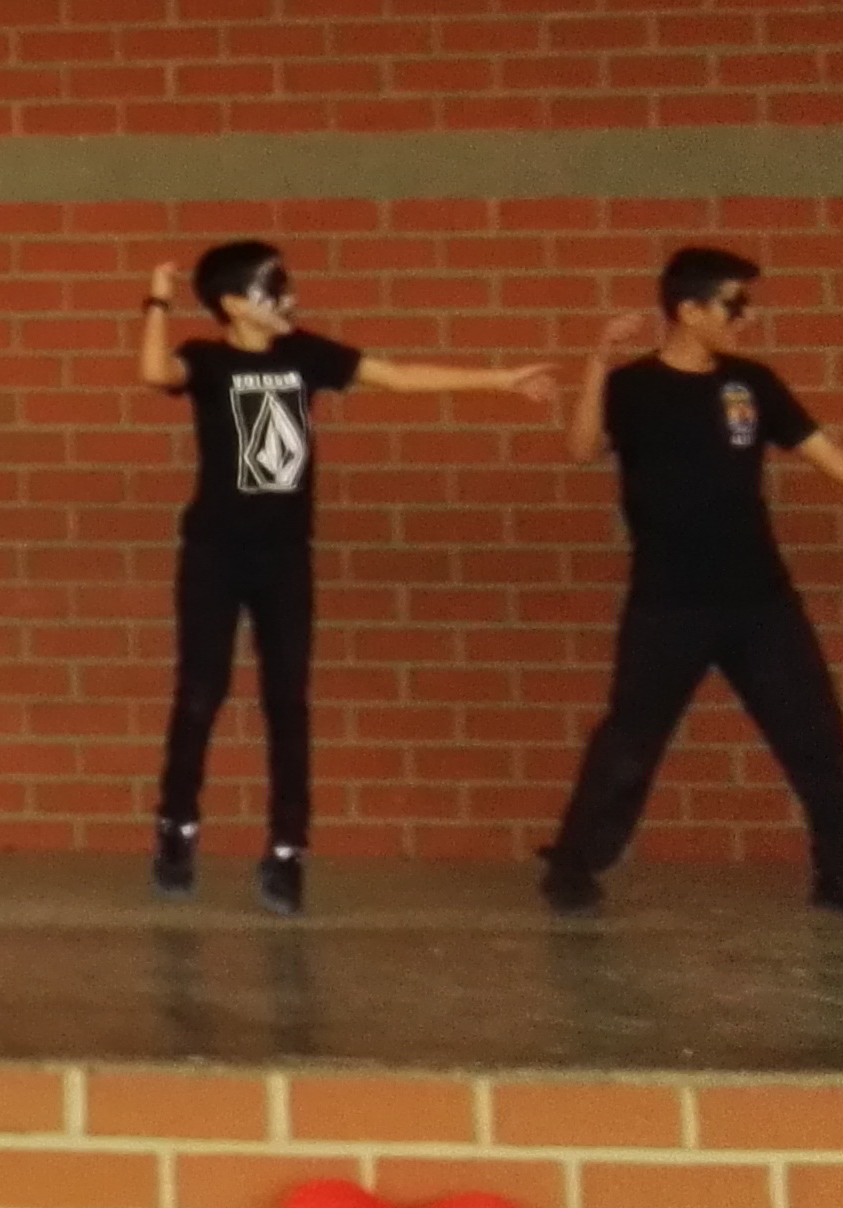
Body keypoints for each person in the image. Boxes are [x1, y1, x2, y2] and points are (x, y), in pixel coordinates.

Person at [537, 245, 843, 920]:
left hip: (760, 600)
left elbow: (832, 458)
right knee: (630, 741)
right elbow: (581, 448)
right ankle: (574, 864)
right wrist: (598, 363)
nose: (747, 318)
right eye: (734, 305)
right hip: (668, 604)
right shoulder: (634, 386)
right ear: (689, 311)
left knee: (816, 735)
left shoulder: (753, 383)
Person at [137, 242, 556, 915]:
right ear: (235, 303)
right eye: (274, 287)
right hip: (215, 553)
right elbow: (155, 371)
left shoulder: (304, 354)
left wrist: (500, 379)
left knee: (287, 699)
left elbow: (397, 376)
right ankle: (177, 825)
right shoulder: (209, 360)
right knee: (201, 691)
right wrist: (158, 298)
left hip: (283, 555)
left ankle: (287, 848)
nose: (290, 297)